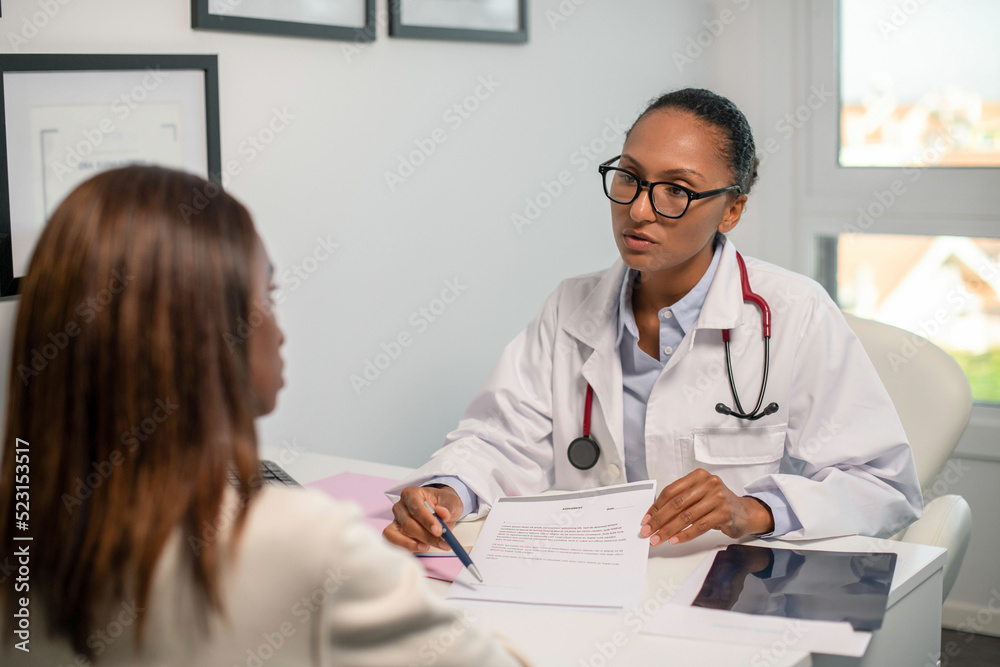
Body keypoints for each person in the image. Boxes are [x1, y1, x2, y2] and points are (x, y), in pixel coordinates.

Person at [0, 166, 524, 666]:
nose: (281, 331)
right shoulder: (305, 544)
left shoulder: (22, 529)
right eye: (267, 295)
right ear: (204, 333)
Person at [384, 88, 922, 553]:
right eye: (630, 178)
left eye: (677, 190)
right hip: (591, 574)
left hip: (730, 587)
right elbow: (501, 439)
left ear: (732, 210)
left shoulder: (795, 313)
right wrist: (447, 494)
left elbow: (881, 487)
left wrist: (753, 510)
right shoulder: (570, 307)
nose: (639, 210)